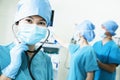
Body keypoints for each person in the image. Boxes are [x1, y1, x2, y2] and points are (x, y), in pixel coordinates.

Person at [0, 0, 53, 80]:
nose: (34, 27)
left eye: (41, 23)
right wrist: (11, 69)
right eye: (29, 20)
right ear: (17, 23)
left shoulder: (46, 60)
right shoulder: (1, 53)